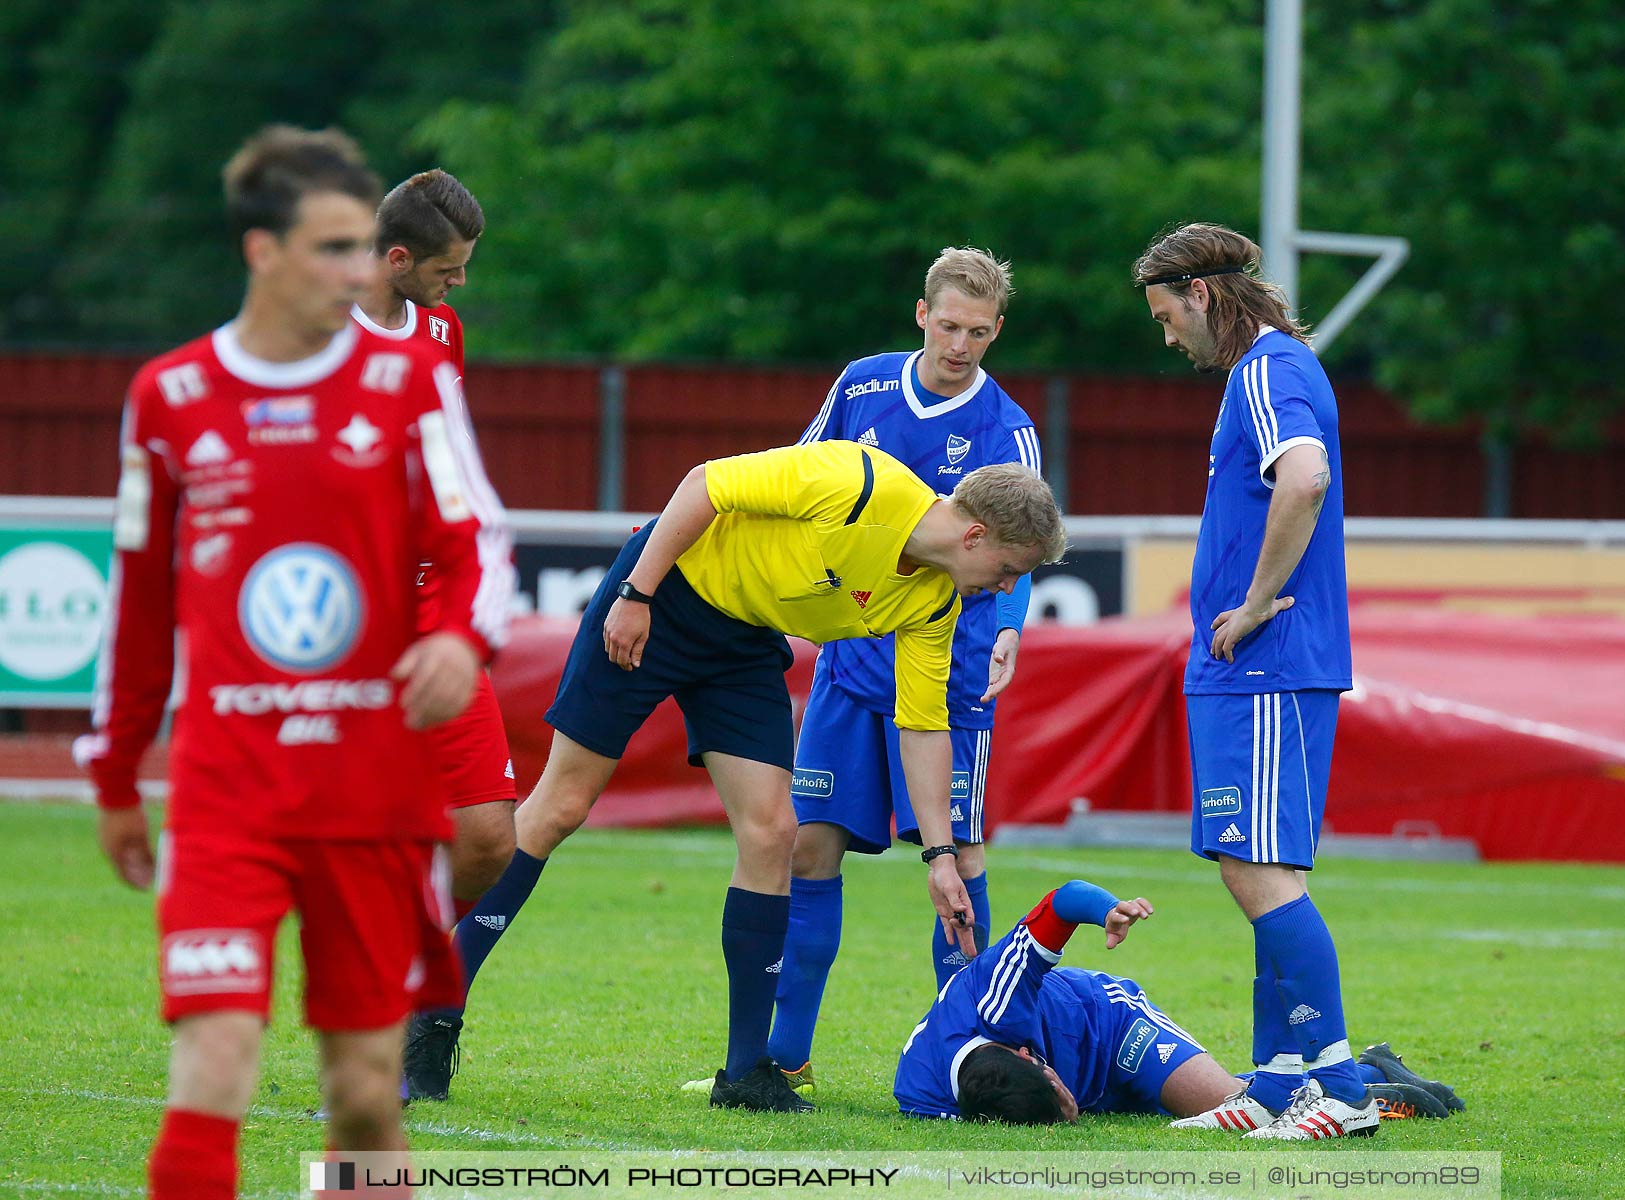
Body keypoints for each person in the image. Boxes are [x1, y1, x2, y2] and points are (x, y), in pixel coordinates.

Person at [77, 126, 513, 1198]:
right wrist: (117, 768)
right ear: (261, 250)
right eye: (329, 249)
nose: (353, 272)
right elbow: (139, 601)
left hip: (368, 787)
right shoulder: (170, 398)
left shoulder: (410, 383)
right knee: (212, 1065)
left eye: (356, 248)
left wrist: (458, 635)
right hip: (232, 787)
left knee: (362, 1091)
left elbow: (477, 544)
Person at [456, 440, 1067, 1111]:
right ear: (976, 535)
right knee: (561, 807)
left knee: (776, 832)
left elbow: (921, 725)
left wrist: (940, 855)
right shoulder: (858, 482)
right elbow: (702, 486)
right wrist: (636, 593)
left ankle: (745, 1074)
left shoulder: (933, 603)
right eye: (1011, 569)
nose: (1009, 589)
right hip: (665, 596)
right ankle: (432, 1015)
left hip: (741, 643)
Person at [763, 248, 1042, 1095]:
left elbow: (1021, 546)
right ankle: (784, 1059)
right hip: (851, 663)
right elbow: (804, 479)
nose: (961, 345)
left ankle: (967, 1057)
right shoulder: (863, 386)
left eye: (980, 333)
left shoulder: (1009, 427)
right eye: (949, 326)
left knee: (958, 854)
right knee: (808, 848)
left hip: (949, 676)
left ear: (998, 332)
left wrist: (1007, 628)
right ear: (922, 314)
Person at [1131, 221, 1369, 1140]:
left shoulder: (1266, 369)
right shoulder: (1276, 368)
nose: (1167, 337)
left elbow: (1301, 479)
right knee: (1259, 868)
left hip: (1265, 665)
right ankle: (1273, 1085)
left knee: (1257, 872)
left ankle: (1339, 1086)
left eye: (1165, 315)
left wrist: (1258, 601)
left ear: (1202, 295)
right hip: (1264, 670)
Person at [348, 168, 516, 1103]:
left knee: (489, 837)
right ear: (398, 257)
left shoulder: (442, 333)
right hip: (345, 631)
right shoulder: (317, 336)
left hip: (437, 622)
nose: (460, 287)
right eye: (449, 271)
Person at [895, 880, 1463, 1127]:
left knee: (1241, 1110)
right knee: (1210, 1108)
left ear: (1027, 1055)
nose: (1066, 1109)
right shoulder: (920, 1094)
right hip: (1098, 1082)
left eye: (1057, 1096)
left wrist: (1107, 909)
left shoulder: (997, 990)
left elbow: (1062, 900)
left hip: (1114, 1029)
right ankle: (1376, 1062)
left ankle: (1369, 1082)